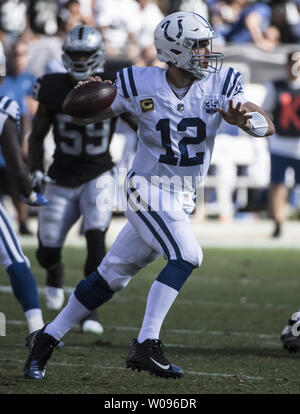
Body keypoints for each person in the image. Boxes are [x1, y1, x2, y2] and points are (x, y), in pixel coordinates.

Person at [24, 11, 274, 380]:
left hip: (182, 196)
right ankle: (146, 344)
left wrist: (245, 121)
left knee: (112, 275)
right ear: (176, 50)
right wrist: (83, 99)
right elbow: (86, 117)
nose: (208, 52)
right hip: (148, 187)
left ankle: (45, 340)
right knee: (187, 255)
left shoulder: (222, 82)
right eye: (199, 45)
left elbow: (264, 125)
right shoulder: (137, 81)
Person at [27, 25, 120, 335]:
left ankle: (90, 313)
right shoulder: (52, 86)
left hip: (99, 172)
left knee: (96, 242)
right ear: (66, 55)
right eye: (74, 54)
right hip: (61, 175)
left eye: (85, 53)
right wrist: (35, 170)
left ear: (97, 55)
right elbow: (38, 135)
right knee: (46, 250)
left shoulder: (112, 85)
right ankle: (54, 271)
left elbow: (137, 120)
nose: (79, 59)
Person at [0, 49, 47, 334]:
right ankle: (36, 328)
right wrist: (29, 192)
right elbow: (18, 167)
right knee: (15, 258)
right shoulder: (4, 105)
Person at [0, 39, 37, 235]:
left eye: (22, 54)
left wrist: (26, 141)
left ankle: (23, 222)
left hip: (18, 140)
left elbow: (32, 112)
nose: (19, 59)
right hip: (3, 140)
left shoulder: (32, 81)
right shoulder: (4, 80)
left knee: (18, 183)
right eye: (15, 54)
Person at [262, 51, 300, 238]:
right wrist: (269, 136)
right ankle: (278, 220)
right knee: (278, 184)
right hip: (280, 143)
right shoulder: (275, 86)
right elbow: (265, 111)